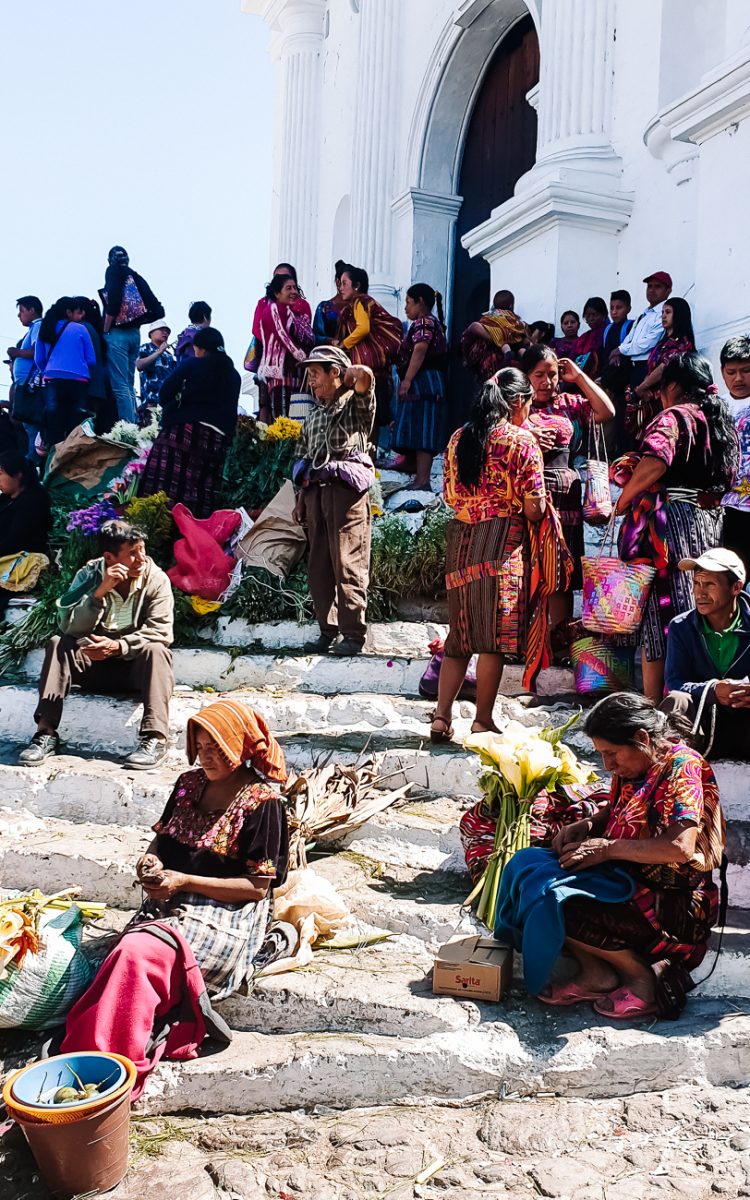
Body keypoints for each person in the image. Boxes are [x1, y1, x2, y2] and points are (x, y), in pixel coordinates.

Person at [60, 700, 289, 1099]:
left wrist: (184, 881)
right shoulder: (188, 784)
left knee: (136, 951)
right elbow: (160, 845)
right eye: (201, 748)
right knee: (123, 957)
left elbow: (257, 887)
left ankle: (107, 1061)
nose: (207, 757)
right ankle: (96, 1050)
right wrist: (149, 865)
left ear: (242, 747)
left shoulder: (263, 803)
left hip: (227, 915)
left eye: (218, 748)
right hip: (169, 902)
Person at [541, 694, 725, 1020]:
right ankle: (597, 974)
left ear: (641, 739)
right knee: (537, 880)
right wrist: (587, 824)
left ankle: (642, 982)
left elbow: (679, 846)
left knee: (559, 901)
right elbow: (616, 810)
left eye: (611, 754)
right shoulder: (635, 765)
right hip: (633, 881)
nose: (608, 765)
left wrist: (607, 848)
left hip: (676, 905)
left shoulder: (682, 768)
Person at [614, 352, 740, 704]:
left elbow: (655, 463)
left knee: (661, 612)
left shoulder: (675, 417)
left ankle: (661, 704)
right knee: (701, 605)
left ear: (672, 387)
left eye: (661, 389)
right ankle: (702, 699)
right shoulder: (718, 421)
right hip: (705, 524)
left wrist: (624, 500)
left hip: (669, 529)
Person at [430, 371, 548, 743]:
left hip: (462, 543)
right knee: (492, 636)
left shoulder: (457, 438)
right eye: (528, 403)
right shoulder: (520, 440)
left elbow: (449, 495)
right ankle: (481, 718)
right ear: (517, 403)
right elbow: (534, 507)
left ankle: (441, 716)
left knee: (460, 636)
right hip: (501, 542)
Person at [18, 520, 174, 771]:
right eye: (132, 553)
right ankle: (45, 733)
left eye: (142, 549)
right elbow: (69, 627)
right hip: (93, 667)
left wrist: (118, 646)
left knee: (157, 650)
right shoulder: (88, 575)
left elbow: (161, 632)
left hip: (134, 670)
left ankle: (155, 739)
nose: (141, 558)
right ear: (109, 557)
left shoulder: (156, 579)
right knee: (59, 644)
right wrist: (98, 593)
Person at [522, 345, 615, 633]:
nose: (546, 382)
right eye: (539, 375)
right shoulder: (515, 404)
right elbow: (493, 430)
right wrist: (527, 434)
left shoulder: (567, 403)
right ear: (526, 376)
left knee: (561, 570)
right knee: (528, 565)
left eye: (551, 375)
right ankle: (524, 638)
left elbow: (606, 411)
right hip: (530, 493)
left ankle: (557, 637)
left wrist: (579, 377)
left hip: (567, 493)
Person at [292, 346, 375, 657]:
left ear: (335, 373)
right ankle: (327, 631)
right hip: (315, 492)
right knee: (319, 565)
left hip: (345, 492)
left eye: (316, 374)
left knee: (348, 562)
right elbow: (302, 458)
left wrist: (352, 374)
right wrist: (301, 499)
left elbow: (364, 378)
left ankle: (353, 634)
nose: (311, 381)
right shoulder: (313, 415)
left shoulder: (356, 405)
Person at [139, 327, 241, 518]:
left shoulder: (192, 365)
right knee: (201, 490)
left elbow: (165, 393)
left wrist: (174, 410)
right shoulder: (233, 376)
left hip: (183, 431)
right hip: (215, 440)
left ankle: (160, 529)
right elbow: (231, 414)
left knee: (165, 487)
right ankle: (197, 530)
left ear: (201, 348)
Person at [662, 549, 749, 760]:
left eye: (710, 584)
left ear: (736, 587)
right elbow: (675, 682)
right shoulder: (680, 627)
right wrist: (713, 691)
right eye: (696, 583)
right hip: (702, 726)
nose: (700, 593)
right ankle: (674, 768)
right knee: (677, 701)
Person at [392, 283, 448, 491]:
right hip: (424, 381)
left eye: (408, 302)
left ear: (420, 302)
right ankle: (415, 471)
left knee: (424, 429)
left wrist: (407, 380)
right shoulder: (429, 322)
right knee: (416, 427)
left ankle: (423, 480)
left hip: (425, 382)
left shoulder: (425, 322)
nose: (406, 308)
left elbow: (420, 350)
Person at [100, 246, 164, 425]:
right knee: (128, 382)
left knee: (119, 384)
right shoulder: (136, 277)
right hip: (135, 335)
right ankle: (133, 421)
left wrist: (106, 327)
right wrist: (137, 320)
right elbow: (158, 310)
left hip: (117, 334)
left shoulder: (113, 271)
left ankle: (127, 426)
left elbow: (112, 300)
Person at [336, 266, 403, 427]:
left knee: (369, 418)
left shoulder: (361, 301)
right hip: (376, 373)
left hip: (368, 372)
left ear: (356, 286)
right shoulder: (354, 306)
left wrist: (343, 344)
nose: (340, 288)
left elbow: (363, 328)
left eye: (345, 283)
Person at [628, 297, 695, 439]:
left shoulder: (682, 343)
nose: (663, 316)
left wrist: (642, 387)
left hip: (669, 400)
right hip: (652, 399)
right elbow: (653, 367)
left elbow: (664, 367)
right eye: (663, 312)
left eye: (668, 312)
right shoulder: (663, 342)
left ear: (679, 315)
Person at [34, 297, 96, 448]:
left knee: (54, 421)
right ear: (69, 312)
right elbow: (91, 359)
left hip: (53, 379)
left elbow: (39, 358)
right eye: (78, 312)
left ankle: (54, 457)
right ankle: (72, 456)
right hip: (79, 381)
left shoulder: (45, 327)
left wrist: (49, 370)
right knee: (75, 424)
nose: (80, 316)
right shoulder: (81, 329)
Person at [256, 273, 314, 422]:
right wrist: (302, 356)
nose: (294, 291)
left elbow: (310, 337)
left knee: (299, 421)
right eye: (288, 288)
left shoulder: (294, 314)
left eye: (295, 288)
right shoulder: (272, 309)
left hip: (297, 376)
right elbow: (282, 335)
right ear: (277, 293)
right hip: (280, 376)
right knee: (283, 424)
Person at [0, 451, 52, 616]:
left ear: (18, 475)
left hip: (20, 558)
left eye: (1, 474)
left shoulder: (33, 501)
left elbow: (15, 541)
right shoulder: (6, 499)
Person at [719, 335, 750, 579]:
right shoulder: (715, 408)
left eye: (746, 371)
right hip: (728, 508)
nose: (738, 378)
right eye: (731, 372)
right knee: (733, 579)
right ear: (722, 372)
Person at [613, 270, 672, 389]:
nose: (651, 290)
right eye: (649, 286)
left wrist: (621, 350)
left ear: (668, 291)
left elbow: (647, 343)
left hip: (648, 367)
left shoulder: (664, 314)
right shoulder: (643, 314)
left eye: (657, 286)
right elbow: (630, 338)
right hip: (634, 367)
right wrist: (620, 350)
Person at [7, 296, 43, 460]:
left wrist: (17, 353)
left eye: (21, 310)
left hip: (28, 384)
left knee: (29, 422)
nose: (19, 315)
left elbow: (36, 352)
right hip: (23, 382)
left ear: (31, 310)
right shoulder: (32, 329)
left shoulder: (37, 326)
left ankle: (33, 460)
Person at [599, 290, 635, 452]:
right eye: (612, 308)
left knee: (621, 423)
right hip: (608, 381)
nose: (614, 312)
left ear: (628, 308)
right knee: (608, 423)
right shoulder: (607, 330)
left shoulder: (630, 327)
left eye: (619, 307)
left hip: (623, 385)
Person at [136, 318, 176, 423]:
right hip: (150, 403)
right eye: (161, 330)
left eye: (167, 331)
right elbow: (139, 365)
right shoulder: (146, 348)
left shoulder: (169, 355)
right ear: (151, 333)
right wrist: (158, 352)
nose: (165, 333)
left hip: (166, 404)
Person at [313, 261, 347, 345]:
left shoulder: (358, 306)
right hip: (329, 354)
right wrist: (330, 341)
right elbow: (315, 336)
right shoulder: (324, 307)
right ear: (338, 282)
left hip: (356, 355)